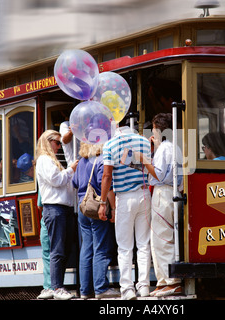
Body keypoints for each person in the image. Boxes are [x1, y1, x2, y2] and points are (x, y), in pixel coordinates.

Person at [98, 125, 152, 300]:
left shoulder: (110, 145)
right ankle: (144, 286)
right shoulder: (144, 142)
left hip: (123, 197)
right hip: (144, 194)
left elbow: (106, 176)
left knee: (125, 247)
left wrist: (102, 202)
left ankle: (127, 289)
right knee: (143, 244)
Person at [135, 113, 183, 297]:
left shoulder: (165, 148)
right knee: (163, 238)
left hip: (163, 193)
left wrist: (145, 159)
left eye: (153, 128)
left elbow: (161, 175)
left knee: (161, 239)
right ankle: (165, 281)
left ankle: (171, 281)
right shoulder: (172, 147)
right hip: (170, 193)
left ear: (158, 129)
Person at [35, 129, 78, 300]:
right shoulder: (44, 160)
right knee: (58, 249)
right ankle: (57, 287)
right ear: (48, 141)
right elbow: (57, 180)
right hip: (55, 208)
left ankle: (56, 286)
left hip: (62, 208)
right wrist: (71, 170)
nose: (59, 146)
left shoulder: (50, 160)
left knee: (63, 249)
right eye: (57, 142)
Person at [72, 143, 119, 299]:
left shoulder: (81, 161)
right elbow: (106, 185)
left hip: (82, 208)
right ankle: (101, 289)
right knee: (101, 247)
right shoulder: (100, 161)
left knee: (86, 248)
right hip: (97, 207)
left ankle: (85, 291)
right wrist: (113, 208)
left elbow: (74, 184)